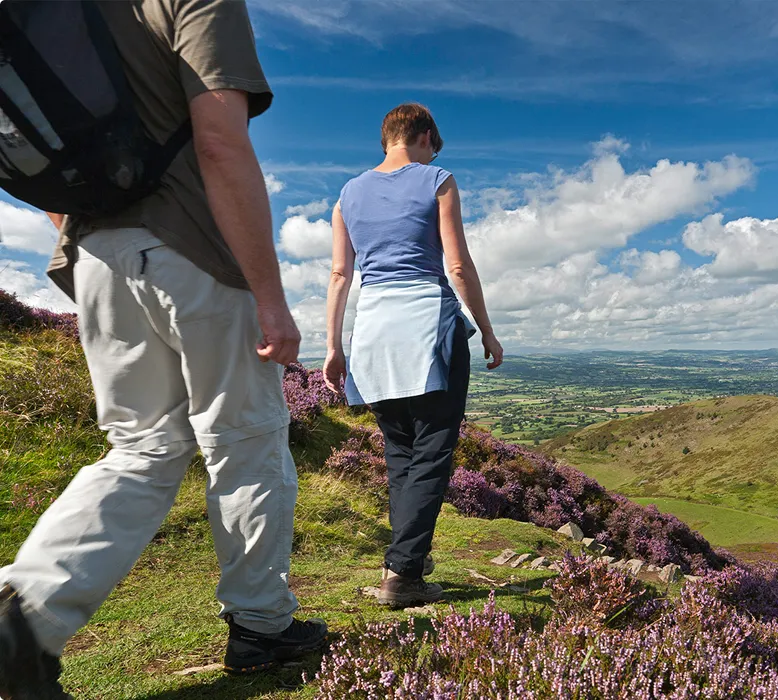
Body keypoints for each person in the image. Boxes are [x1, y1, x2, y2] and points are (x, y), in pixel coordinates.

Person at [0, 2, 326, 696]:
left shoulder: (48, 11)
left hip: (94, 252)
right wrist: (269, 296)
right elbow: (219, 143)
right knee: (246, 439)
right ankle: (261, 625)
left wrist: (99, 235)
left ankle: (24, 616)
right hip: (193, 245)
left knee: (140, 448)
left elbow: (35, 163)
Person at [323, 103, 504, 608]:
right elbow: (458, 265)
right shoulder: (438, 180)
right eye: (432, 149)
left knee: (400, 451)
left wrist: (334, 347)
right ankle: (403, 574)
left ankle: (405, 562)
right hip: (428, 326)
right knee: (432, 451)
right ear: (424, 136)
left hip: (372, 333)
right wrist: (488, 331)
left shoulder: (346, 195)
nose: (431, 158)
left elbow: (340, 275)